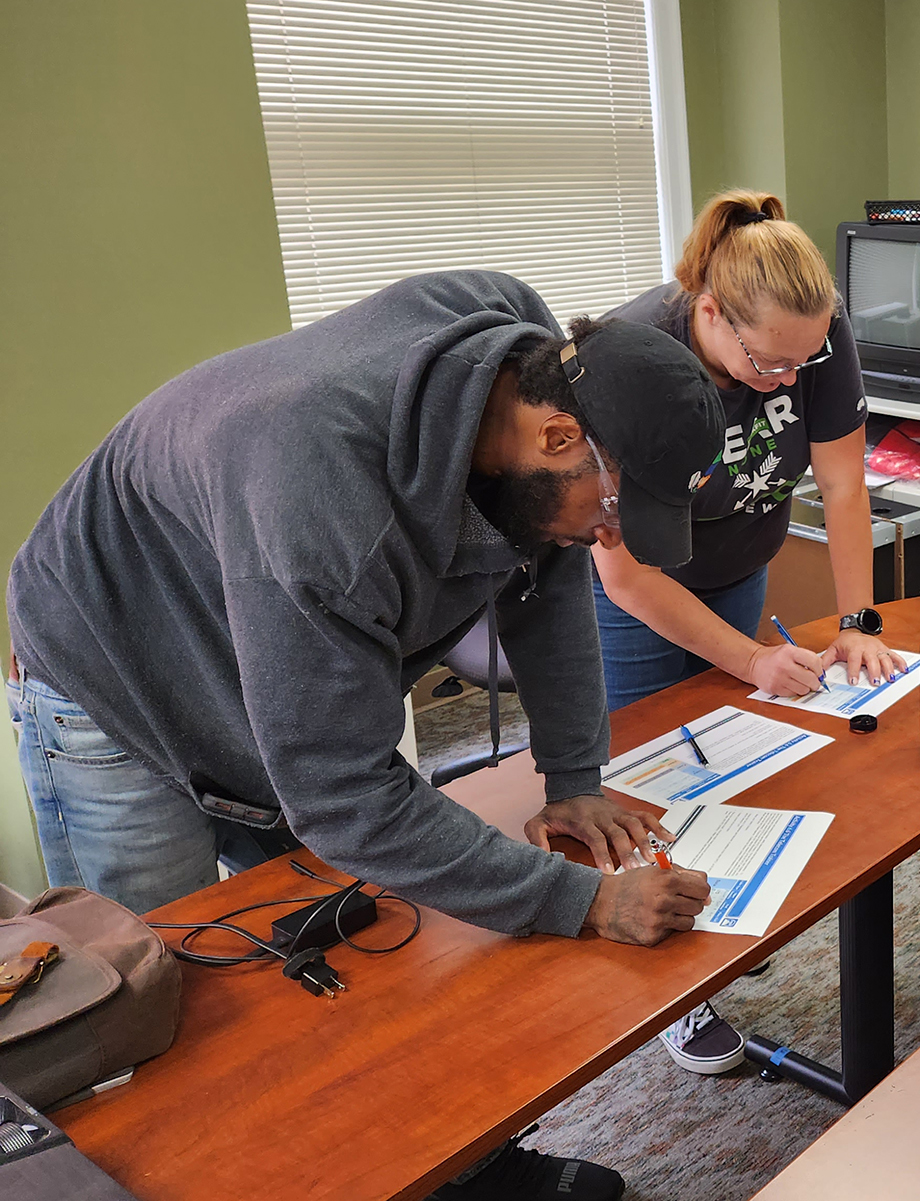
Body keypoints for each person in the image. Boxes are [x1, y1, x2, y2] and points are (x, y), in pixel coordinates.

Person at [7, 271, 727, 1201]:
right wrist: (583, 902)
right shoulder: (326, 508)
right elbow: (343, 797)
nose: (606, 537)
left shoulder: (520, 343)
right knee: (162, 1024)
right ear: (555, 438)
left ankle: (462, 1171)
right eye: (616, 509)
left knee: (355, 959)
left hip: (258, 627)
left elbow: (541, 573)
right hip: (113, 673)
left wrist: (575, 773)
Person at [594, 189, 907, 1076]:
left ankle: (718, 906)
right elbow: (623, 573)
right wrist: (750, 657)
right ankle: (674, 997)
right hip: (637, 591)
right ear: (708, 316)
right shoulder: (633, 362)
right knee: (649, 788)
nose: (790, 378)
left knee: (736, 759)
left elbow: (845, 489)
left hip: (736, 564)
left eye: (805, 360)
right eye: (771, 365)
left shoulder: (810, 331)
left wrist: (856, 621)